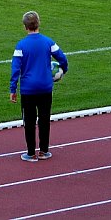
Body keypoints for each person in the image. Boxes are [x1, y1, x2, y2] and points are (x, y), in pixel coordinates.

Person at [10, 10, 68, 162]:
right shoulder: (48, 42)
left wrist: (12, 89)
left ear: (25, 27)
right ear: (38, 24)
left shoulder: (21, 45)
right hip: (45, 88)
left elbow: (15, 69)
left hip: (28, 90)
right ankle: (44, 151)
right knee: (44, 120)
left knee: (29, 122)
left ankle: (30, 153)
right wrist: (63, 70)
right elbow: (62, 58)